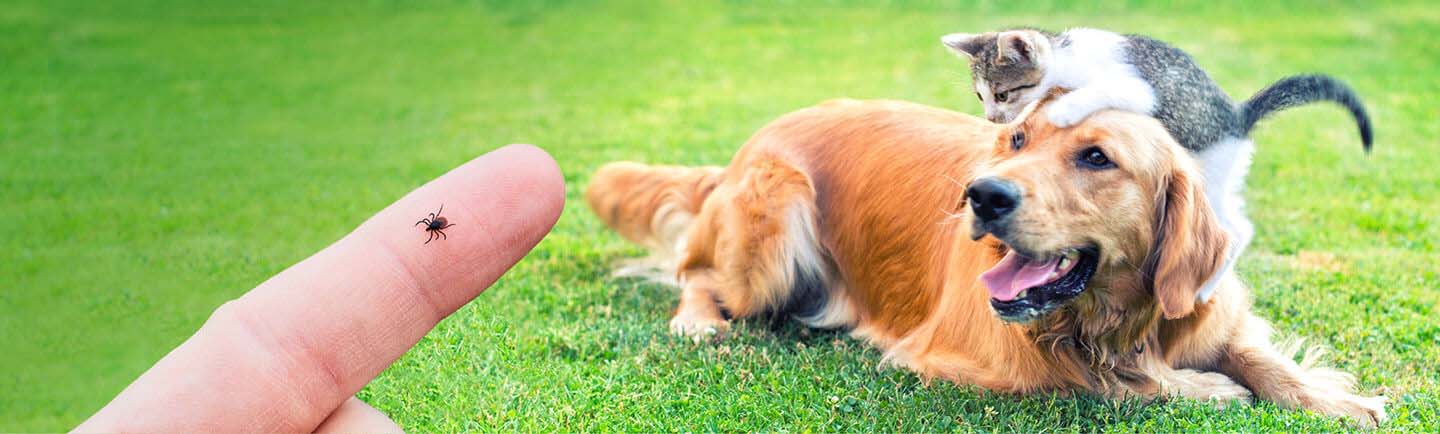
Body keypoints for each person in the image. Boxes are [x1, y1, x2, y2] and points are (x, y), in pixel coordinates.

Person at [75, 145, 566, 432]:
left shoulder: (434, 225)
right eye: (434, 224)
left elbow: (434, 223)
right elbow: (435, 224)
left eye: (435, 225)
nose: (434, 226)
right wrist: (435, 226)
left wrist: (433, 224)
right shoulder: (435, 226)